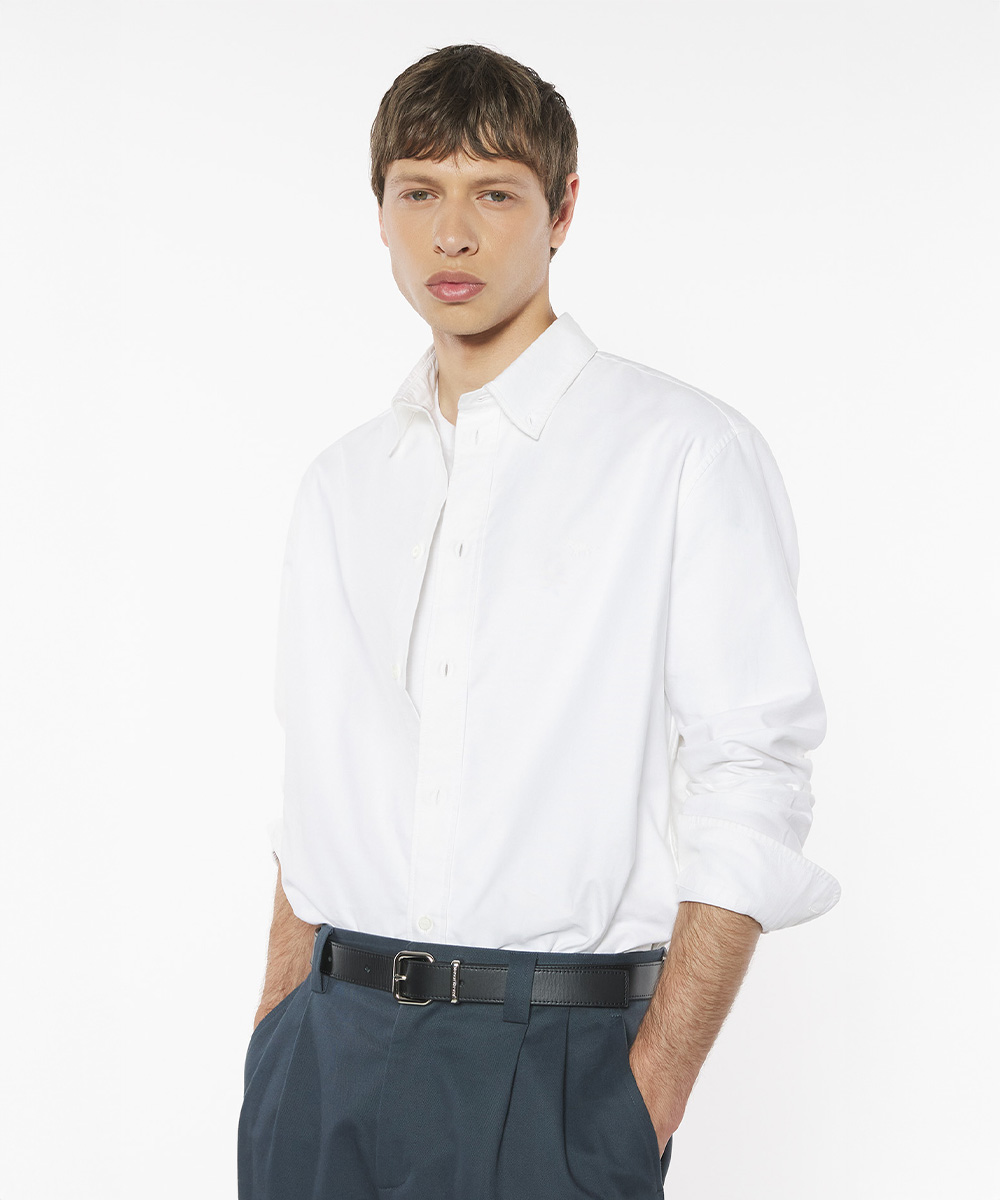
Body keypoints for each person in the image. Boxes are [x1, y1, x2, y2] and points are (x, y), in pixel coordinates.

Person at [237, 42, 840, 1200]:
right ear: (379, 212)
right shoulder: (342, 483)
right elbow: (315, 775)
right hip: (323, 1054)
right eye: (419, 191)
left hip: (551, 1067)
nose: (452, 234)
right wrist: (276, 1024)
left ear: (562, 211)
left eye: (494, 193)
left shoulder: (681, 454)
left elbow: (752, 771)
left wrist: (648, 1090)